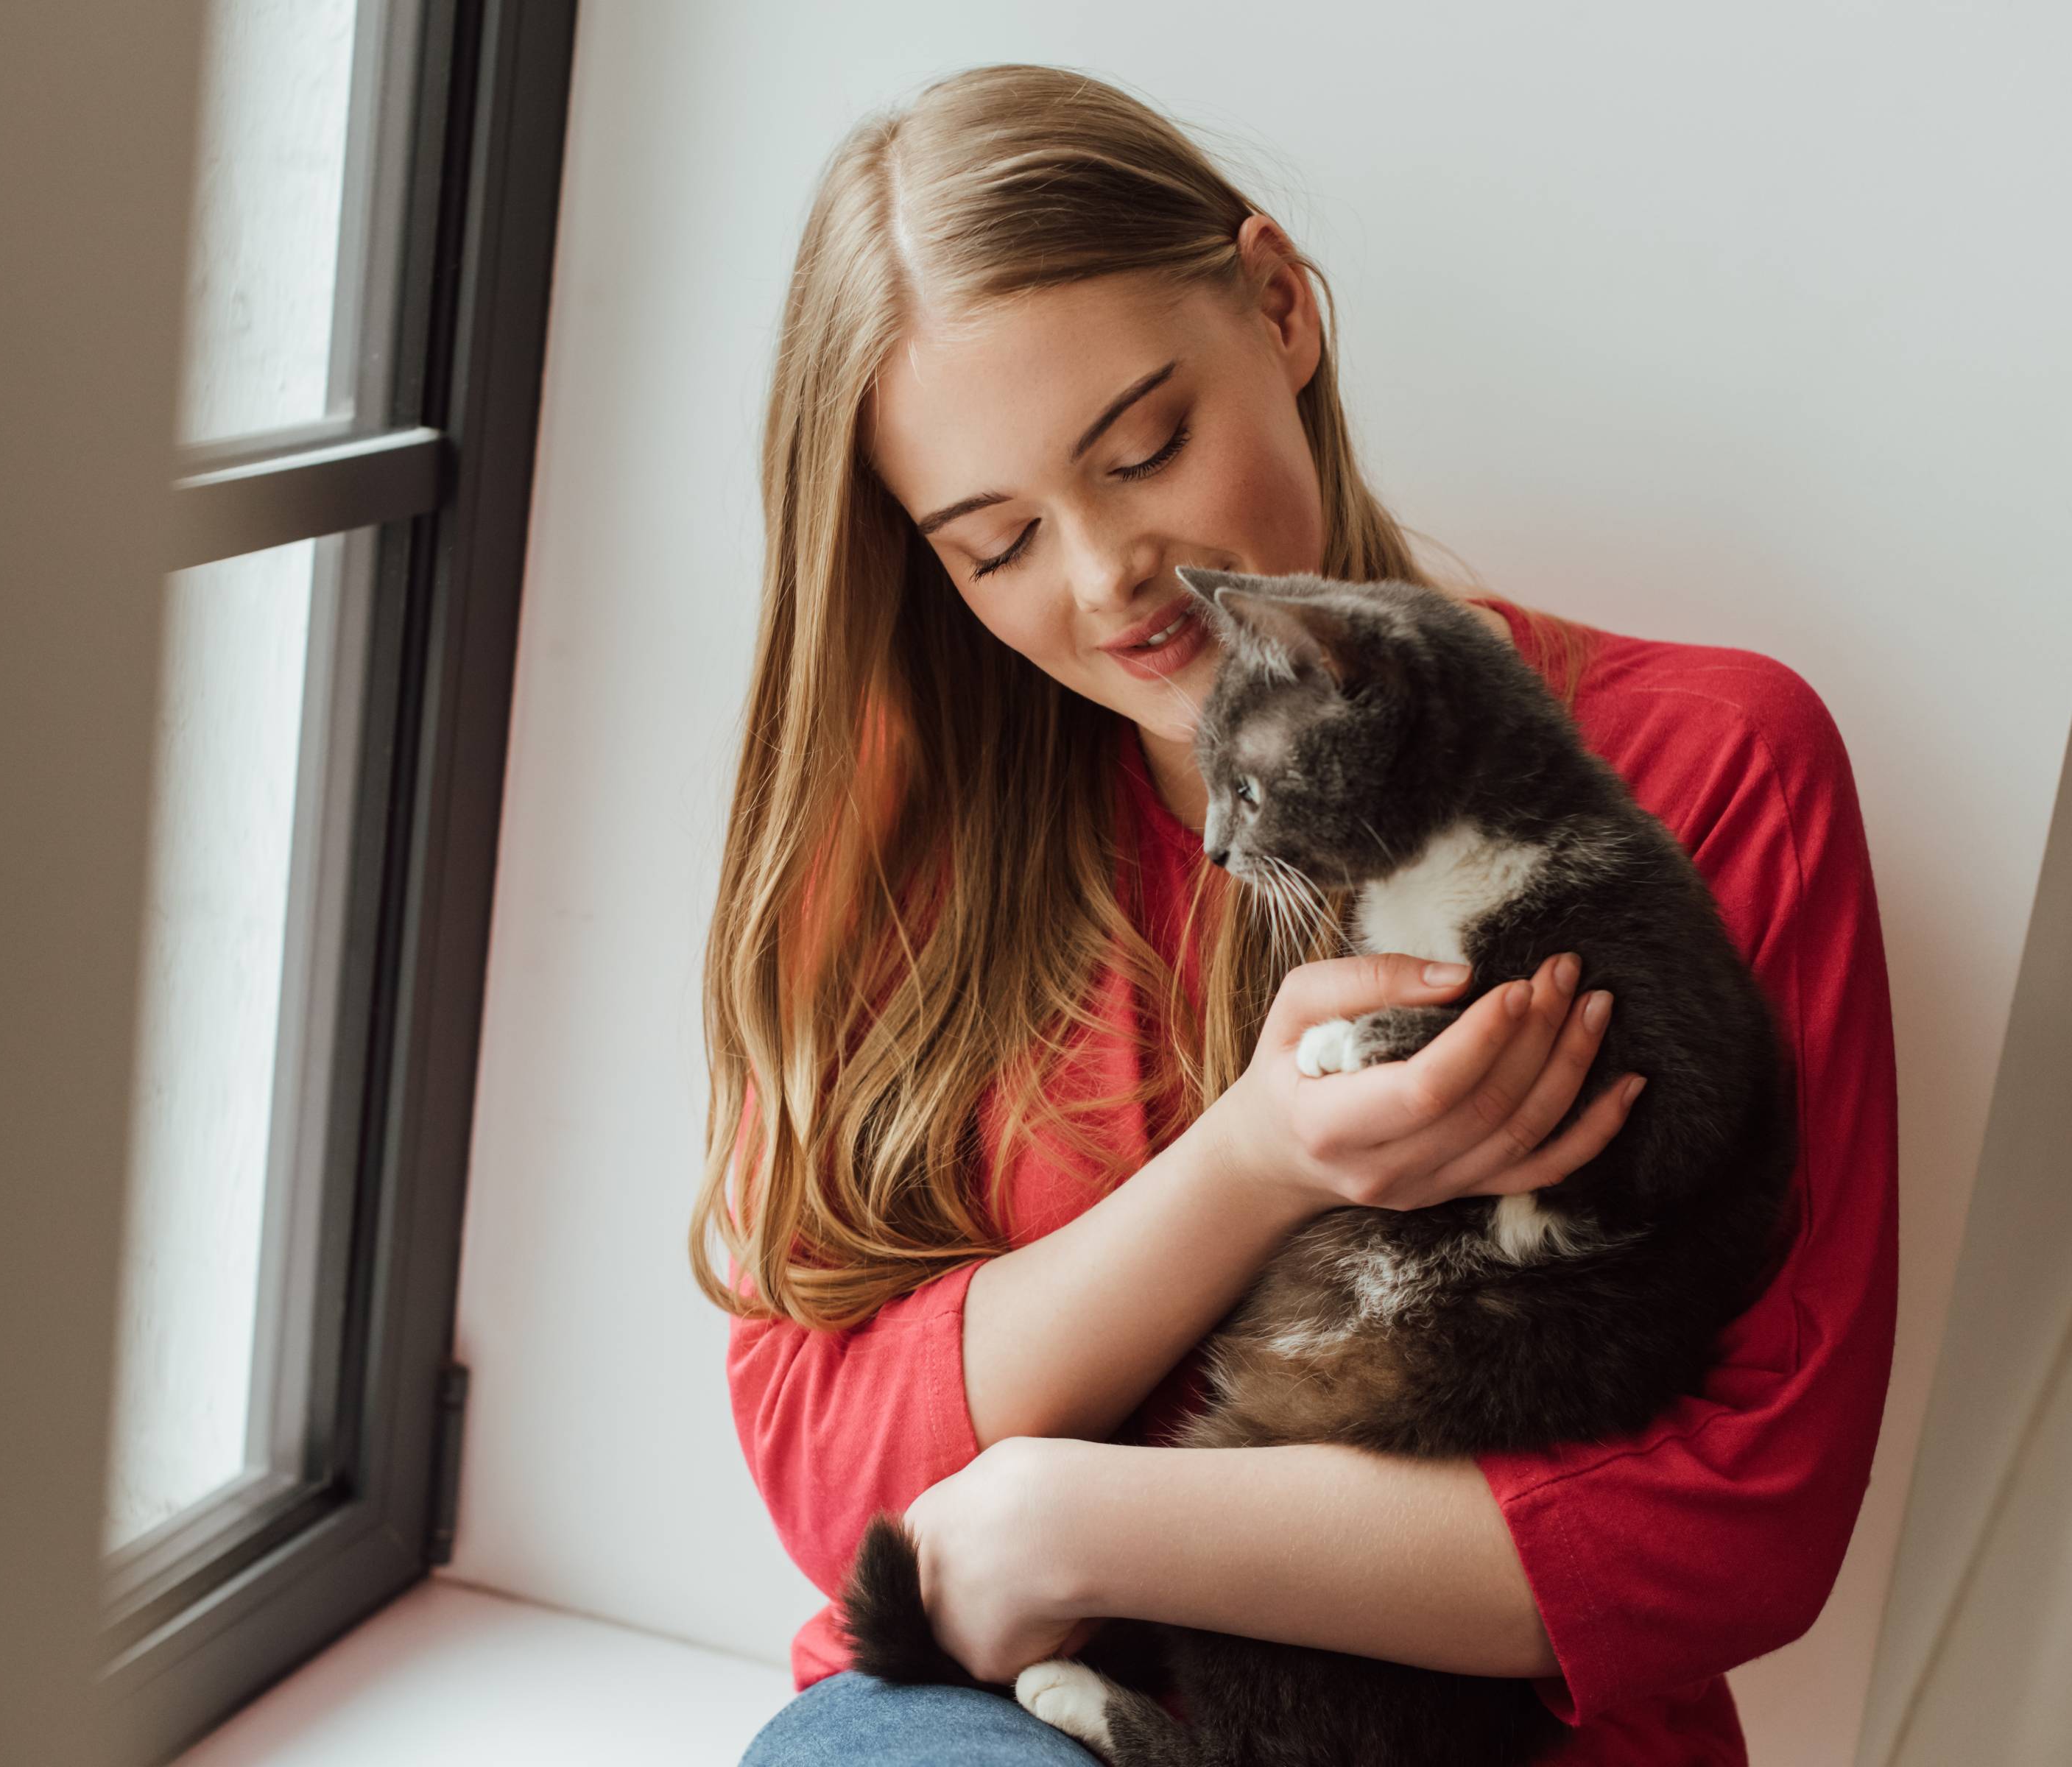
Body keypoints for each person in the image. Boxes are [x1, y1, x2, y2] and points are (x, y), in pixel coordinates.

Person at [695, 63, 1897, 1767]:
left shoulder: (1705, 773)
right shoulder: (899, 853)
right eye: (994, 544)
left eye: (1145, 447)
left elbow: (1740, 1515)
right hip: (978, 1723)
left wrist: (1065, 1520)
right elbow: (840, 1485)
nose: (1109, 573)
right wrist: (1258, 1159)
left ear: (1280, 307)